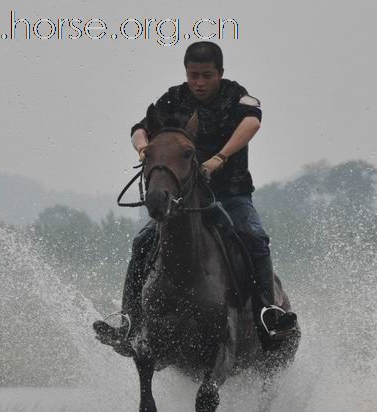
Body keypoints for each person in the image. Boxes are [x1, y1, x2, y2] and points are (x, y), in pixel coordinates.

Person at [93, 41, 297, 355]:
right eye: (193, 75)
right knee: (142, 242)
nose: (199, 82)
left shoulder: (235, 95)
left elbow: (252, 121)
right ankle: (129, 322)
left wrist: (221, 157)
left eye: (206, 75)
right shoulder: (174, 99)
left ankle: (267, 314)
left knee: (255, 238)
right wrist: (142, 146)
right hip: (184, 204)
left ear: (220, 73)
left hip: (231, 196)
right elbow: (139, 129)